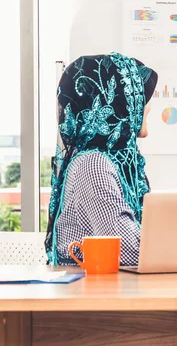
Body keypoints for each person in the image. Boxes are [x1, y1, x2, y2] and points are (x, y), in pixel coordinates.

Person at [45, 53, 158, 266]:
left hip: (109, 291)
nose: (149, 106)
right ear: (123, 102)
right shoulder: (93, 165)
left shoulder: (115, 161)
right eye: (143, 97)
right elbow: (128, 252)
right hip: (92, 296)